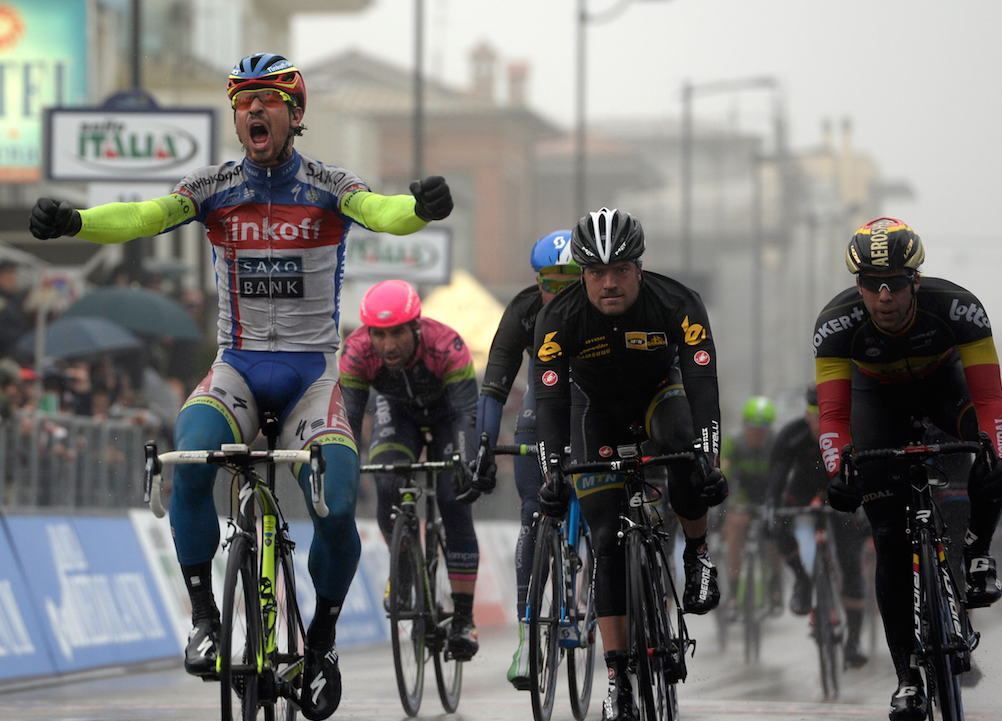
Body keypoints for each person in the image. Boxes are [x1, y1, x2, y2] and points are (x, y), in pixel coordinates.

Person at [29, 52, 454, 720]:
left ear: (295, 113)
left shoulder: (327, 184)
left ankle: (320, 641)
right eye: (243, 101)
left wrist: (419, 208)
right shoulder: (214, 187)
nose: (254, 109)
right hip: (239, 366)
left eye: (269, 99)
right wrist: (76, 223)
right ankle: (202, 614)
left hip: (314, 372)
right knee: (191, 454)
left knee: (337, 507)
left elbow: (383, 212)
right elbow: (142, 217)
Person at [533, 207, 727, 721]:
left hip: (660, 398)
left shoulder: (678, 303)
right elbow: (550, 402)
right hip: (596, 414)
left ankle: (697, 553)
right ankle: (618, 674)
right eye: (596, 272)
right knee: (605, 539)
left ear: (639, 269)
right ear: (581, 274)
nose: (609, 283)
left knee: (682, 442)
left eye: (620, 270)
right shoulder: (559, 318)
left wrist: (710, 459)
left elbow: (704, 386)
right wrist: (552, 470)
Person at [813, 217, 1002, 721]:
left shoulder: (957, 307)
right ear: (858, 285)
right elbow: (833, 415)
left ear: (915, 280)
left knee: (991, 457)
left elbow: (988, 397)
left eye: (895, 282)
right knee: (890, 539)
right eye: (872, 284)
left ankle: (978, 554)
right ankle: (907, 677)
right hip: (877, 402)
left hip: (946, 389)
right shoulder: (834, 323)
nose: (884, 295)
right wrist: (839, 468)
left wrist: (995, 452)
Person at [338, 279, 481, 661]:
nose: (387, 345)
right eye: (379, 335)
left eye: (397, 333)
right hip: (398, 414)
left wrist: (465, 462)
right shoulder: (355, 351)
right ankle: (402, 569)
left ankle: (464, 618)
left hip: (449, 416)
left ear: (416, 326)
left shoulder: (446, 345)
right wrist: (344, 464)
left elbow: (468, 413)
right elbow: (350, 419)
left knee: (454, 500)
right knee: (386, 477)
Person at [468, 230, 580, 689]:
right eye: (551, 282)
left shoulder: (606, 306)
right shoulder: (524, 309)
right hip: (544, 404)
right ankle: (528, 635)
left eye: (572, 279)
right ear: (537, 282)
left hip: (596, 404)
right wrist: (483, 447)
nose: (560, 291)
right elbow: (495, 384)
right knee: (533, 515)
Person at [770, 383, 870, 668]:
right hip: (802, 487)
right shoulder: (793, 435)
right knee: (778, 524)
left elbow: (868, 475)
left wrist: (866, 512)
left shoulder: (852, 432)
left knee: (850, 563)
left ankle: (852, 643)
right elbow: (776, 478)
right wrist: (772, 509)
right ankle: (802, 580)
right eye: (815, 418)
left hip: (841, 491)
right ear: (806, 417)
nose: (819, 427)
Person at [720, 395, 781, 619]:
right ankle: (734, 595)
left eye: (763, 427)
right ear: (744, 425)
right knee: (736, 524)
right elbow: (725, 477)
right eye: (752, 426)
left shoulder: (776, 443)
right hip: (741, 492)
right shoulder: (734, 442)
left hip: (767, 493)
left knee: (775, 528)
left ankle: (775, 586)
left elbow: (783, 477)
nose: (757, 432)